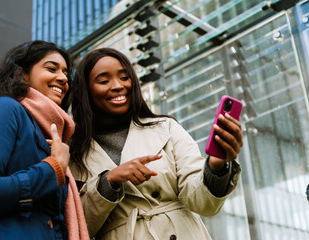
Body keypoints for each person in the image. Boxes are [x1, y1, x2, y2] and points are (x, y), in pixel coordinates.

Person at [68, 47, 243, 240]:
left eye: (125, 77)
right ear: (86, 91)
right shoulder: (74, 152)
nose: (118, 86)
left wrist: (216, 167)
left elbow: (202, 203)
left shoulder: (166, 127)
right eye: (103, 81)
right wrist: (108, 181)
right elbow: (77, 227)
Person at [0, 40, 89, 239]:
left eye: (66, 73)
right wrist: (53, 168)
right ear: (21, 75)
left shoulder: (48, 136)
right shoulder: (2, 108)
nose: (63, 78)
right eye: (52, 68)